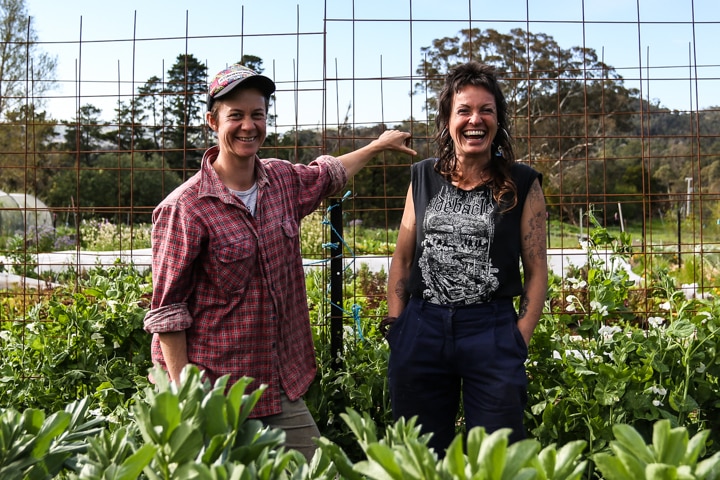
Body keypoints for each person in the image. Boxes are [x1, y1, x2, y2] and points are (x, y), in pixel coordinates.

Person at [143, 63, 416, 461]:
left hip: (277, 383)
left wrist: (377, 145)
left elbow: (330, 174)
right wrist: (187, 397)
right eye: (235, 115)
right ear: (211, 121)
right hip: (212, 393)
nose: (248, 126)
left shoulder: (282, 181)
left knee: (316, 468)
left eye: (257, 114)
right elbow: (168, 312)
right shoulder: (185, 208)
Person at [384, 61, 547, 454]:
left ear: (498, 120)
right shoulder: (422, 177)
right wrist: (397, 326)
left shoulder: (523, 183)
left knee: (498, 454)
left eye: (486, 110)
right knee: (418, 453)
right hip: (422, 328)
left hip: (490, 330)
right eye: (464, 110)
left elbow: (537, 270)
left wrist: (518, 338)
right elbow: (403, 259)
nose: (475, 120)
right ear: (448, 120)